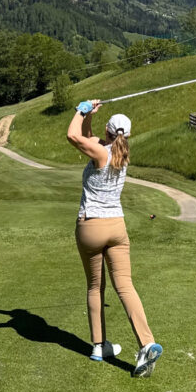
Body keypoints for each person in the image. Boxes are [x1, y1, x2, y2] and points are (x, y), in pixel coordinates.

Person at [66, 99, 162, 377]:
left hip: (91, 227)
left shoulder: (99, 153)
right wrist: (89, 117)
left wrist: (80, 109)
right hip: (117, 228)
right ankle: (146, 343)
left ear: (108, 133)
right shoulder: (121, 152)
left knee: (95, 287)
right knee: (126, 287)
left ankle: (98, 345)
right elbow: (85, 136)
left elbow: (73, 136)